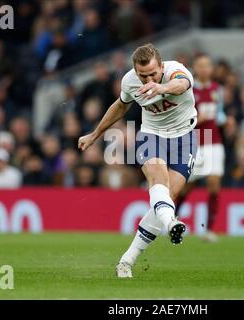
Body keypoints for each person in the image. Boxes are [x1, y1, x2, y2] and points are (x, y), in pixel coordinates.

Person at [78, 43, 197, 278]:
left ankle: (126, 261)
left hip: (186, 138)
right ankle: (172, 224)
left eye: (152, 73)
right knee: (158, 181)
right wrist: (94, 134)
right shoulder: (130, 81)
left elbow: (181, 85)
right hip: (152, 134)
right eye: (143, 75)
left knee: (165, 199)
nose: (147, 79)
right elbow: (120, 106)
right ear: (135, 70)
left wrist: (160, 87)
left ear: (161, 66)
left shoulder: (176, 71)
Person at [174, 53, 226, 242]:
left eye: (207, 65)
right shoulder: (187, 89)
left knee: (214, 185)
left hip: (214, 143)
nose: (205, 68)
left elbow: (220, 114)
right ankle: (172, 221)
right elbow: (179, 118)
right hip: (195, 143)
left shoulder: (217, 89)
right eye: (201, 65)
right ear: (195, 68)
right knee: (186, 188)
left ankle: (209, 230)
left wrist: (225, 120)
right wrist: (196, 120)